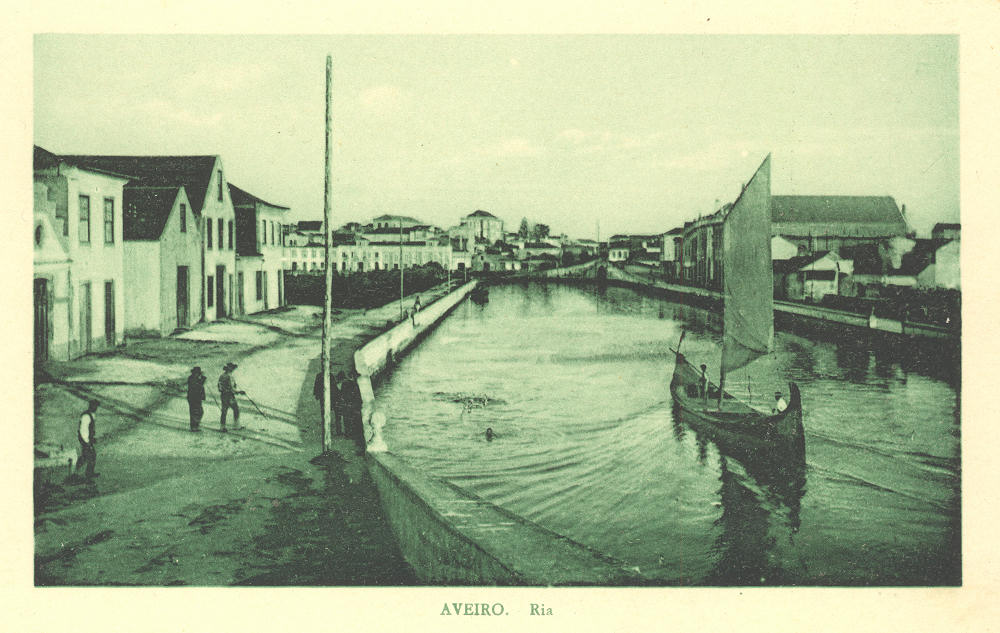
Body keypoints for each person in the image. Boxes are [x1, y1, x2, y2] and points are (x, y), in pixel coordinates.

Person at [77, 399, 99, 479]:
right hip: (84, 439)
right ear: (91, 406)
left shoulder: (91, 415)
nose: (96, 408)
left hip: (87, 439)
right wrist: (87, 441)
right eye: (94, 406)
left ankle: (78, 469)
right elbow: (83, 430)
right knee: (91, 455)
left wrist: (92, 438)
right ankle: (87, 473)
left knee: (87, 455)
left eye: (96, 406)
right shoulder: (86, 416)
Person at [218, 362, 243, 432]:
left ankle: (222, 427)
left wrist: (223, 390)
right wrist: (239, 392)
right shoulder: (230, 376)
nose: (233, 370)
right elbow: (232, 388)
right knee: (236, 409)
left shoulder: (221, 376)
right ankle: (236, 425)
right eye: (232, 368)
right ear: (230, 369)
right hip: (229, 396)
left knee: (224, 411)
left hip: (223, 395)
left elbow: (219, 387)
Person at [187, 367, 206, 432]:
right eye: (197, 373)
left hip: (197, 397)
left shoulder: (196, 378)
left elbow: (201, 384)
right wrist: (202, 378)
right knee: (195, 412)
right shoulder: (191, 378)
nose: (198, 374)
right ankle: (194, 427)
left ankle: (195, 426)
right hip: (193, 397)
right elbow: (197, 386)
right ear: (195, 373)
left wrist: (202, 377)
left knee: (199, 412)